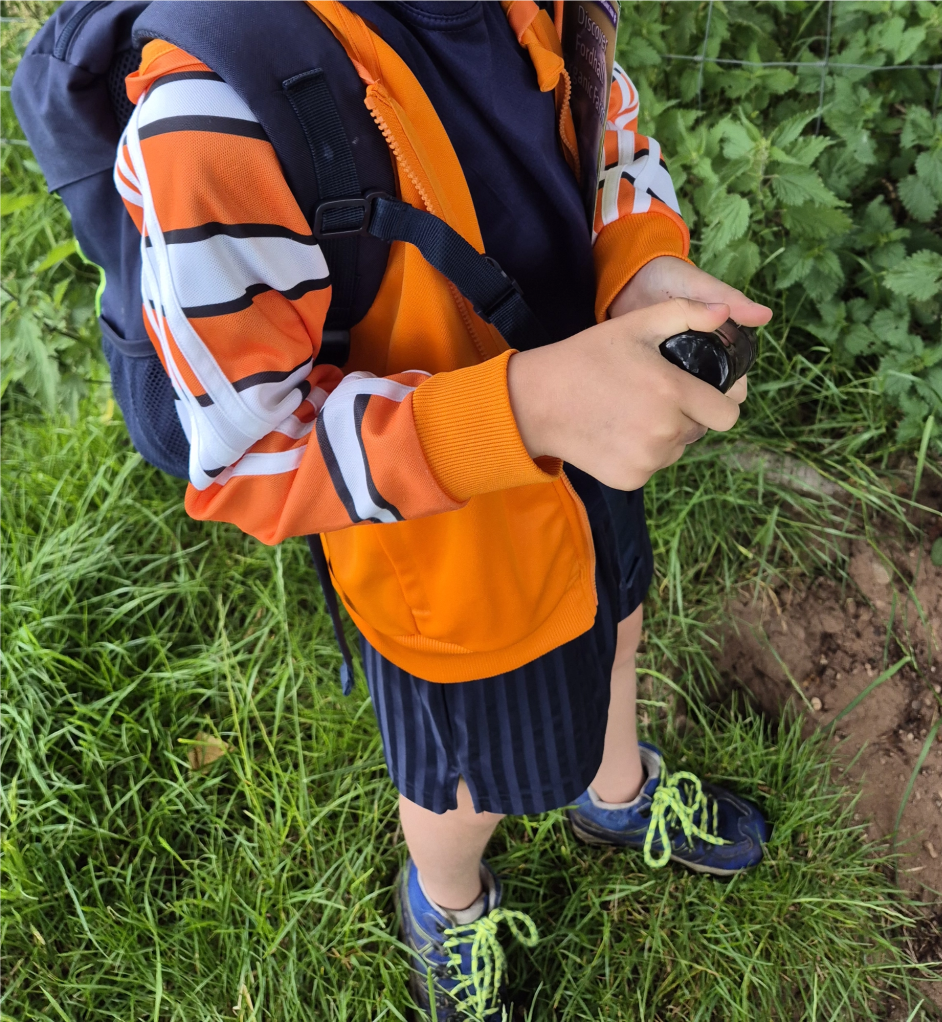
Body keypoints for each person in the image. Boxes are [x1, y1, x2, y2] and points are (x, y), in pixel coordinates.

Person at [114, 0, 773, 1015]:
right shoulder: (211, 111)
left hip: (588, 465)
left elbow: (611, 142)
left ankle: (615, 791)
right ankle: (447, 902)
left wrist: (641, 262)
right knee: (464, 788)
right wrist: (523, 408)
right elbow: (248, 452)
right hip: (445, 563)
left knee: (620, 625)